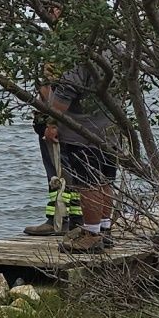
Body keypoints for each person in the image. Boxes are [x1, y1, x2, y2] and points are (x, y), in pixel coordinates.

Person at [43, 61, 119, 244]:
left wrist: (51, 123)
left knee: (88, 184)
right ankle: (103, 228)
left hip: (82, 133)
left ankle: (91, 235)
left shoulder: (75, 60)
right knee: (105, 181)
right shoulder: (117, 49)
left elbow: (60, 102)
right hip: (110, 130)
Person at [27, 66, 83, 236]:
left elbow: (51, 92)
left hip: (63, 123)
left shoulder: (63, 64)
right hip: (59, 121)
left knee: (66, 173)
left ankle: (69, 220)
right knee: (58, 173)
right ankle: (62, 218)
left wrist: (52, 123)